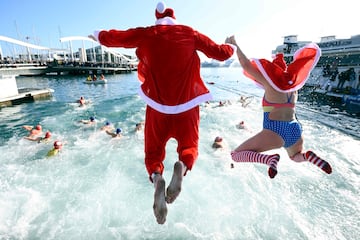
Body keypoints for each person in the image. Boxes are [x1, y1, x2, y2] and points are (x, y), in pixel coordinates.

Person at [89, 1, 235, 224]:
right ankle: (182, 166)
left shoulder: (148, 34)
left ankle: (158, 178)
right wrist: (230, 46)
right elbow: (220, 53)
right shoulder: (190, 33)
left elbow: (120, 37)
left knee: (154, 153)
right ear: (174, 18)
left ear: (157, 18)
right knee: (189, 147)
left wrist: (99, 36)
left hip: (157, 108)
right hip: (188, 106)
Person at [226, 35, 332, 179]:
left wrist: (235, 46)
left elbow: (245, 65)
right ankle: (308, 156)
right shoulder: (294, 89)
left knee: (235, 155)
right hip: (295, 129)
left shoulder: (270, 85)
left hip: (275, 131)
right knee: (295, 156)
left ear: (272, 73)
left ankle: (269, 160)